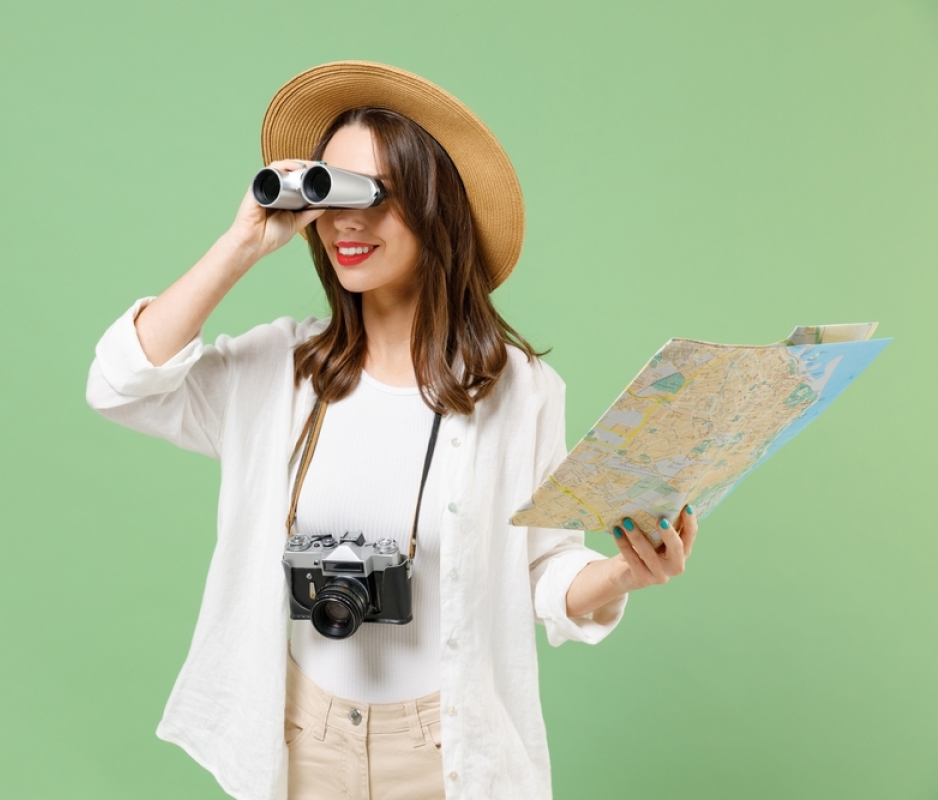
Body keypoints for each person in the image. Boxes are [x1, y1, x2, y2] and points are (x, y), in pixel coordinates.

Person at [86, 61, 698, 800]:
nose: (346, 221)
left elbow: (543, 572)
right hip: (300, 740)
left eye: (374, 196)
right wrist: (242, 243)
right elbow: (120, 383)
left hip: (445, 750)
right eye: (328, 192)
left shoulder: (515, 389)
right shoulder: (279, 370)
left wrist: (625, 573)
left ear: (436, 209)